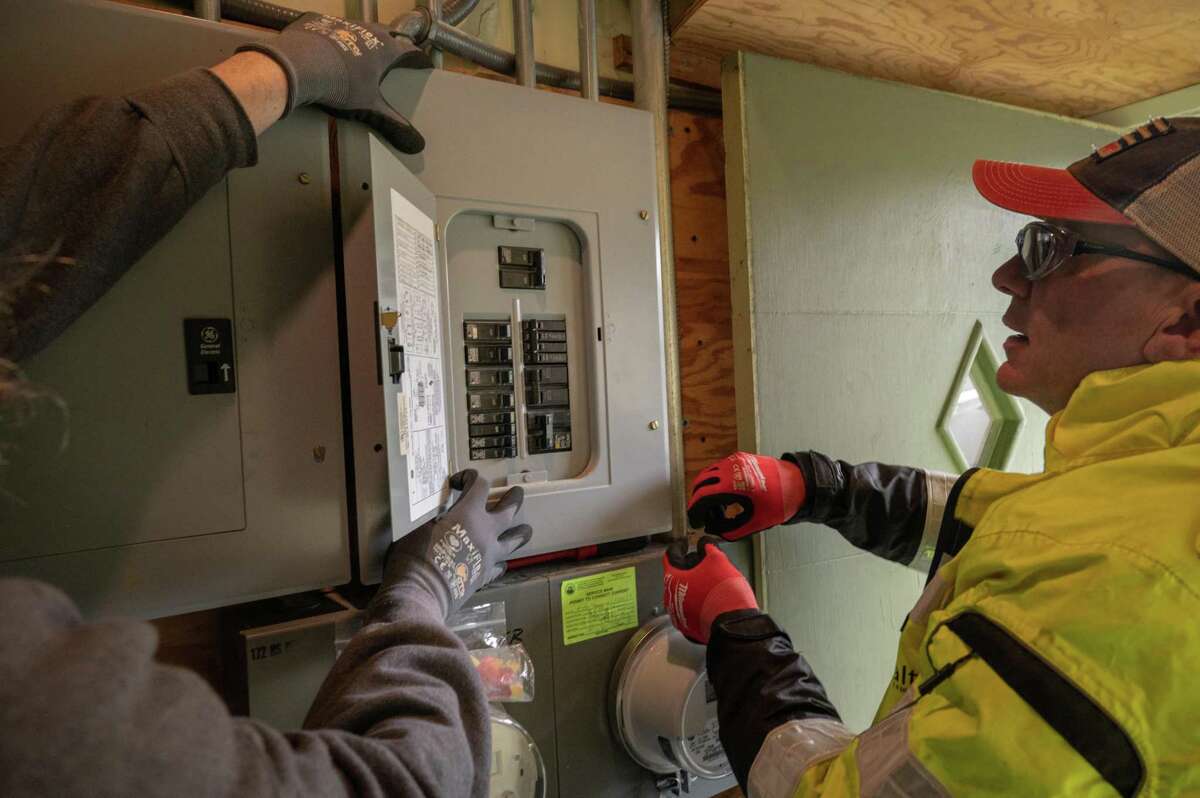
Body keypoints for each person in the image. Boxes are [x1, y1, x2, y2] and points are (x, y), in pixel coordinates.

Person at [0, 13, 530, 798]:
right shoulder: (35, 720)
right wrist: (425, 592)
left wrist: (286, 73)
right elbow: (404, 784)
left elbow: (38, 215)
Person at [664, 118, 1200, 796]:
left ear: (1186, 321)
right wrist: (813, 487)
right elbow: (1010, 523)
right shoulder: (1157, 491)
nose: (1008, 276)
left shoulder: (1120, 596)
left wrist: (737, 634)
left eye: (1056, 248)